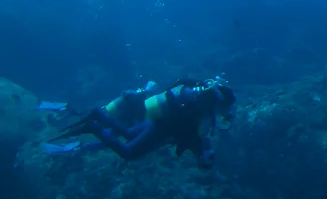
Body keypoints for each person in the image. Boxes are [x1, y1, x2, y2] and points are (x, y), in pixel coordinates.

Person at [45, 77, 236, 169]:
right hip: (163, 127)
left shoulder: (202, 101)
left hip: (160, 118)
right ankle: (93, 126)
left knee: (128, 134)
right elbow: (192, 135)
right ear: (221, 103)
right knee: (128, 152)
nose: (225, 113)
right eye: (226, 109)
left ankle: (99, 117)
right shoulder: (206, 114)